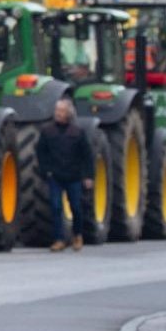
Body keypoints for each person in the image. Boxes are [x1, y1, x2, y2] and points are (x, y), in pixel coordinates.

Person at [36, 97, 96, 251]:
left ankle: (77, 235)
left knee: (76, 207)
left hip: (73, 176)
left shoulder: (77, 133)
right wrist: (45, 171)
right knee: (56, 207)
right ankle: (59, 239)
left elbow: (87, 156)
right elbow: (40, 152)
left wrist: (88, 176)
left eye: (62, 111)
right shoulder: (47, 132)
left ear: (69, 113)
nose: (58, 114)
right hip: (55, 176)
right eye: (57, 110)